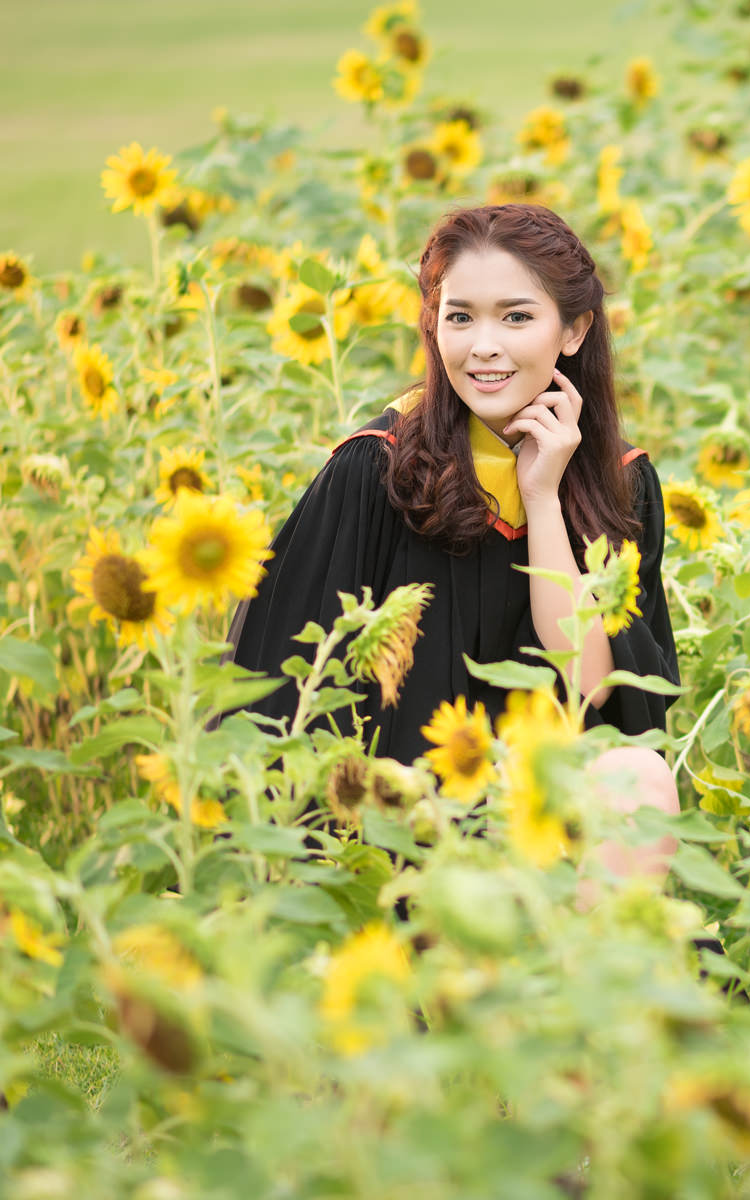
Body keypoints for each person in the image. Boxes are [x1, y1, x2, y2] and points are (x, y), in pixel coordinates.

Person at [225, 203, 680, 883]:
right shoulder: (376, 469)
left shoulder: (619, 484)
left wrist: (544, 499)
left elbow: (591, 691)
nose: (483, 346)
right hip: (397, 826)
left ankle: (588, 979)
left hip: (540, 817)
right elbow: (281, 693)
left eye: (517, 317)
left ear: (575, 330)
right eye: (460, 316)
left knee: (637, 777)